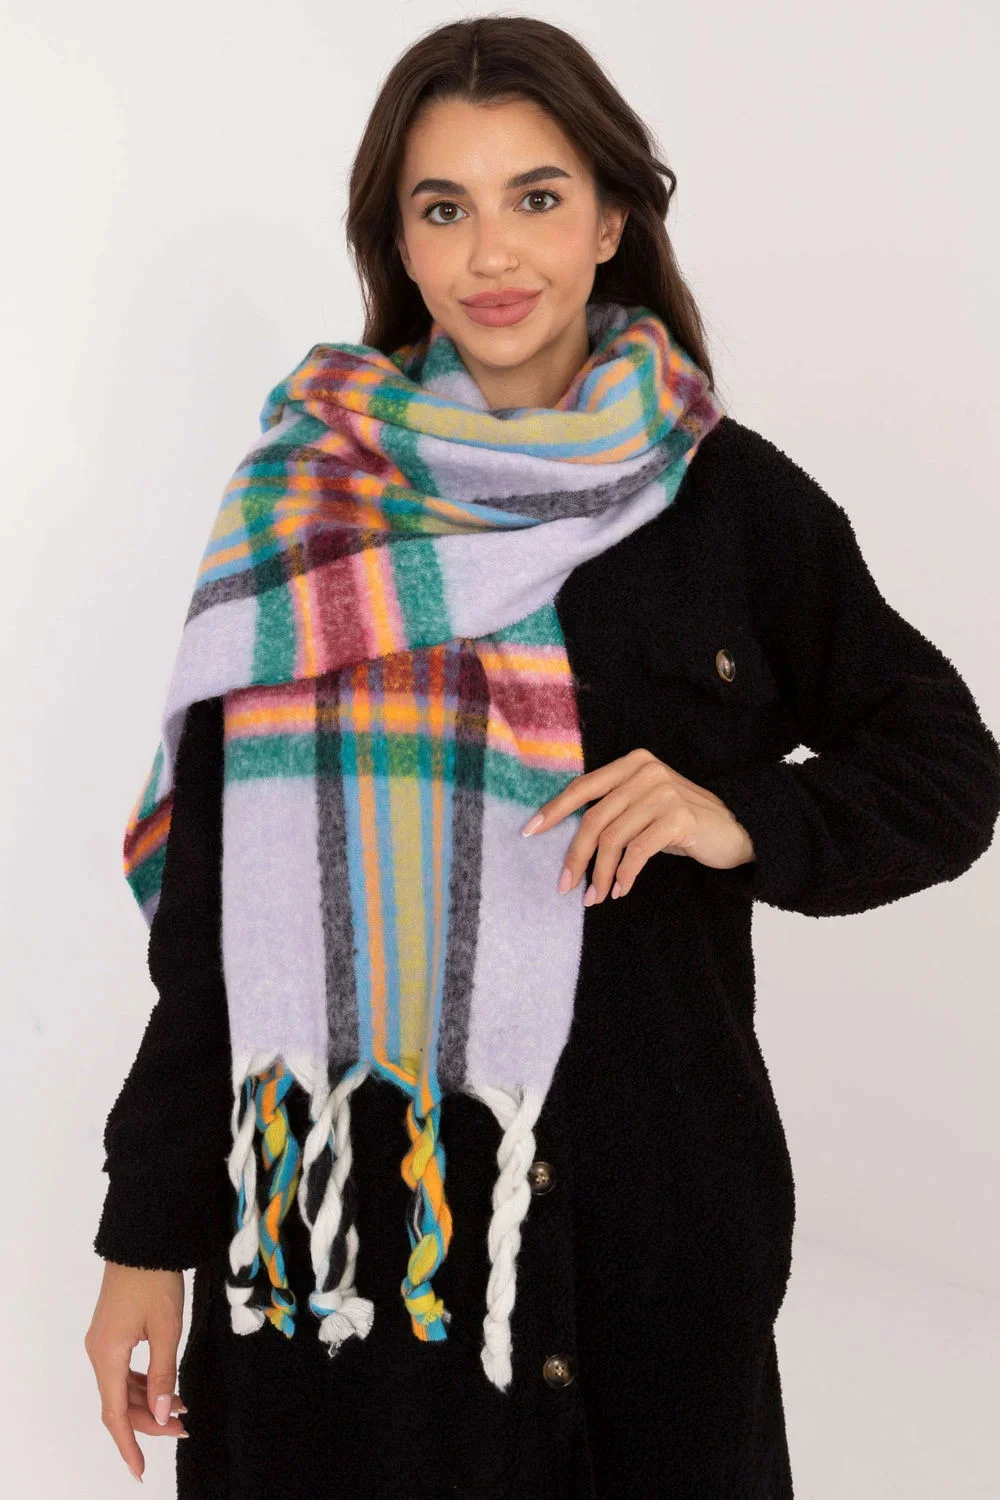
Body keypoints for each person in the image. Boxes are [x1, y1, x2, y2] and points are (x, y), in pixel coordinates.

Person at [84, 16, 1000, 1499]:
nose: (492, 253)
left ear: (612, 218)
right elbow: (212, 930)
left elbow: (948, 767)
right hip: (354, 1285)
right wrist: (144, 1236)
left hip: (656, 1264)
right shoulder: (302, 515)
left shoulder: (731, 505)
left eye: (538, 196)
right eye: (444, 207)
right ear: (397, 239)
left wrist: (741, 814)